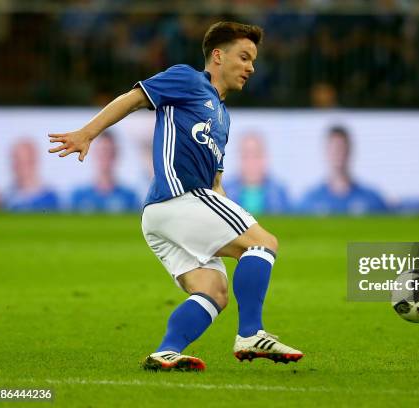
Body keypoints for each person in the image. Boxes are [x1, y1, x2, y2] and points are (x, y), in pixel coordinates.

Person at [48, 21, 302, 372]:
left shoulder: (223, 118)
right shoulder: (188, 79)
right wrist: (87, 133)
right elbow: (134, 99)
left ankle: (166, 351)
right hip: (179, 198)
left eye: (253, 61)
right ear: (217, 55)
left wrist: (230, 216)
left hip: (162, 216)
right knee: (264, 244)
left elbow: (216, 184)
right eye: (244, 57)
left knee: (214, 292)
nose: (251, 68)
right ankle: (251, 333)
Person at [298, 126, 388, 214]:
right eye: (334, 149)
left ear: (350, 151)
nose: (338, 154)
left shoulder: (372, 200)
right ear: (326, 152)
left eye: (341, 148)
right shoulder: (310, 200)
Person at [70, 131, 140, 212]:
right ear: (94, 154)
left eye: (108, 152)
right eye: (101, 152)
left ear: (115, 155)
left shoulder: (130, 197)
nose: (104, 157)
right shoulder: (78, 196)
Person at [225, 133, 290, 214]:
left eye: (256, 156)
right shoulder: (224, 193)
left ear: (265, 158)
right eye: (246, 156)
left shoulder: (280, 194)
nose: (251, 162)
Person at [3, 139, 60, 212]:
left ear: (33, 162)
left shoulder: (50, 198)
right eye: (15, 161)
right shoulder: (6, 197)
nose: (16, 166)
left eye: (22, 161)